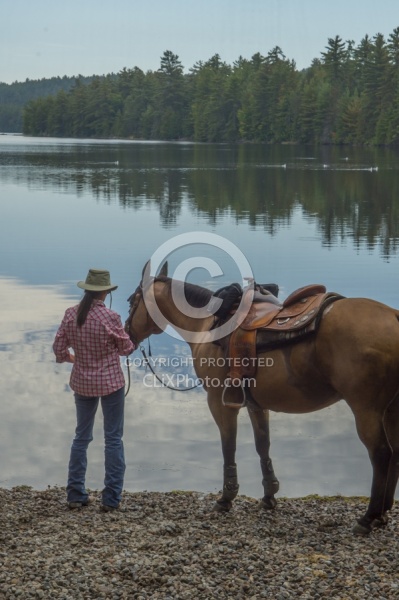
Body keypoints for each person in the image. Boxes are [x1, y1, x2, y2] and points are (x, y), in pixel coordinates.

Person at [53, 268, 135, 511]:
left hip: (82, 383)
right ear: (106, 292)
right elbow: (127, 348)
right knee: (113, 439)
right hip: (111, 384)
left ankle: (76, 494)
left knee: (81, 437)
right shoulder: (110, 318)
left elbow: (58, 349)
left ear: (86, 290)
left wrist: (73, 359)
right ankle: (111, 499)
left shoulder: (71, 314)